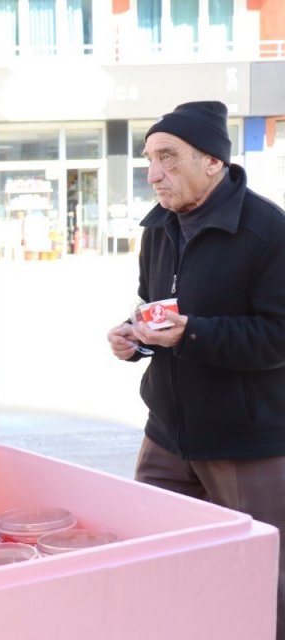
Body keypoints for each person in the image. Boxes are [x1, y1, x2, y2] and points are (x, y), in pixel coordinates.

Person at [105, 100, 285, 639]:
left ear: (213, 162)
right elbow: (155, 307)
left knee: (263, 580)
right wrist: (134, 336)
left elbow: (279, 334)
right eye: (149, 160)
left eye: (168, 157)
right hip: (166, 435)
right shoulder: (158, 227)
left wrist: (194, 332)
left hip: (246, 443)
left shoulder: (269, 231)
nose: (154, 173)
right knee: (160, 561)